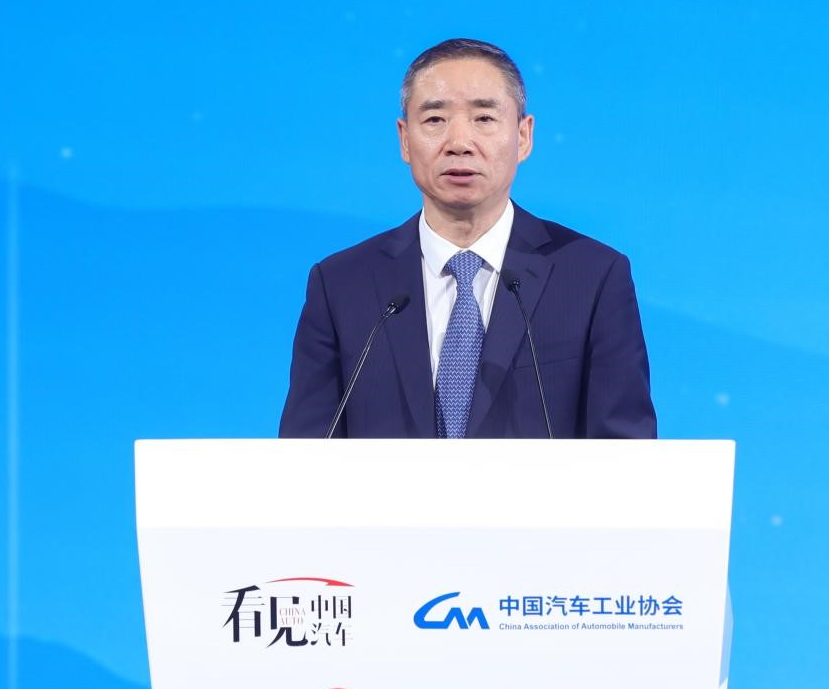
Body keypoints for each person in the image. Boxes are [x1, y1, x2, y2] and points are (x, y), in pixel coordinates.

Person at [279, 38, 656, 438]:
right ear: (404, 139)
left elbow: (626, 453)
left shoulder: (593, 277)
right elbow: (304, 455)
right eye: (435, 120)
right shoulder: (342, 285)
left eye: (484, 118)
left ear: (523, 136)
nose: (459, 144)